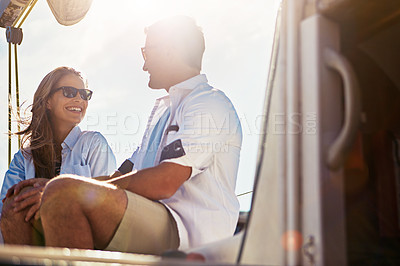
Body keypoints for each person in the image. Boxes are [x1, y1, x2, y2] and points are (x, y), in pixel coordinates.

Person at [39, 16, 242, 255]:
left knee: (63, 195)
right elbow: (122, 175)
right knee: (20, 209)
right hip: (155, 216)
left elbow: (165, 181)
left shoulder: (208, 103)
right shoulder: (165, 113)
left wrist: (73, 190)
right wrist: (48, 191)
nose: (144, 65)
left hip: (186, 233)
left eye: (147, 52)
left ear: (170, 50)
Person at [0, 66, 116, 245]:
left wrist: (52, 197)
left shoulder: (94, 144)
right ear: (47, 101)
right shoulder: (24, 158)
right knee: (15, 202)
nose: (79, 98)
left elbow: (106, 203)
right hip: (29, 240)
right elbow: (6, 211)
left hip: (80, 237)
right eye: (69, 92)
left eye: (84, 94)